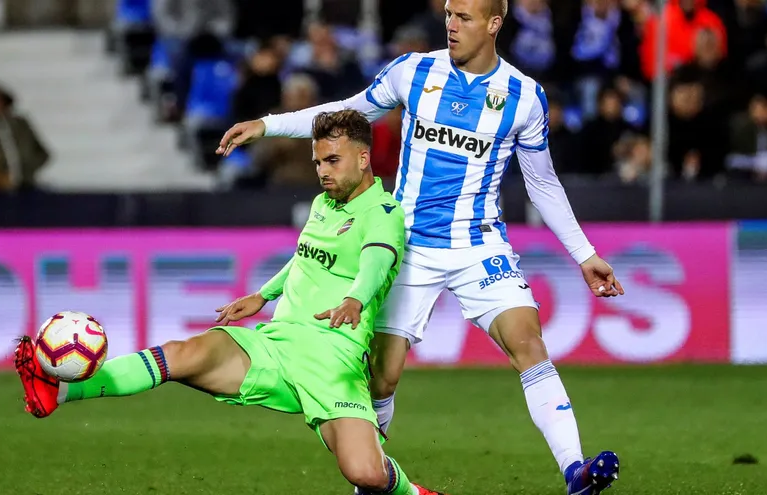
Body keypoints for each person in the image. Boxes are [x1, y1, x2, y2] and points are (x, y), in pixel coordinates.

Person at [217, 1, 623, 493]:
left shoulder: (524, 97)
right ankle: (370, 483)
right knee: (382, 379)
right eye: (449, 13)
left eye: (465, 17)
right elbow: (346, 114)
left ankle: (575, 471)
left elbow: (543, 183)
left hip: (478, 245)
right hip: (405, 247)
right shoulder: (413, 72)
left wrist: (584, 254)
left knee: (529, 345)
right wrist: (268, 124)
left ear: (494, 24)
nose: (451, 24)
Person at [14, 110, 444, 495]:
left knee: (366, 474)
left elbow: (377, 260)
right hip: (276, 345)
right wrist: (262, 295)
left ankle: (415, 493)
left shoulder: (384, 213)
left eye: (332, 161)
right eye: (317, 162)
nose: (322, 172)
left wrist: (354, 298)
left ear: (364, 158)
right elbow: (305, 258)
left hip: (333, 361)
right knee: (184, 354)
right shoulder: (323, 204)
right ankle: (62, 389)